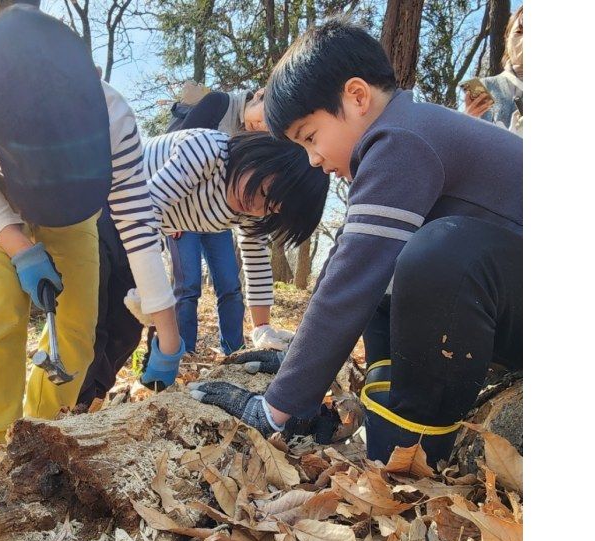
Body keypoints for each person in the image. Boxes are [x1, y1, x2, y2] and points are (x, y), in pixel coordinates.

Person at [192, 18, 522, 467]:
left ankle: (418, 442)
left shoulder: (401, 137)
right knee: (388, 271)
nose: (313, 159)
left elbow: (353, 279)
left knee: (436, 257)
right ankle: (389, 420)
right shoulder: (405, 132)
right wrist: (297, 366)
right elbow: (346, 263)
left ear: (357, 96)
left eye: (310, 137)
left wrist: (269, 410)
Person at [0, 0, 182, 457]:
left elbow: (136, 219)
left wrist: (167, 332)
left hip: (75, 202)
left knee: (78, 322)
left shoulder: (113, 118)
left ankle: (43, 433)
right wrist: (19, 247)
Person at [140, 128, 330, 358]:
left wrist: (262, 328)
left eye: (270, 209)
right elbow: (144, 212)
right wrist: (150, 292)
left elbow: (257, 260)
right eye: (262, 191)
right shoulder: (207, 151)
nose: (256, 207)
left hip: (140, 222)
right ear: (259, 156)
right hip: (110, 193)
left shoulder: (251, 212)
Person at [164, 88, 292, 354]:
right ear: (260, 94)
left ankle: (234, 349)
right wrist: (168, 215)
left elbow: (255, 248)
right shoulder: (218, 106)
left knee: (229, 283)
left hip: (222, 216)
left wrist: (262, 325)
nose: (262, 128)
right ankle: (181, 350)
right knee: (188, 285)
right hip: (177, 210)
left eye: (270, 131)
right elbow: (176, 155)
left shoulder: (258, 186)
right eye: (265, 117)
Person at [464, 6, 523, 136]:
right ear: (507, 38)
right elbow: (465, 143)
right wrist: (467, 123)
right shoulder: (478, 88)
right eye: (520, 31)